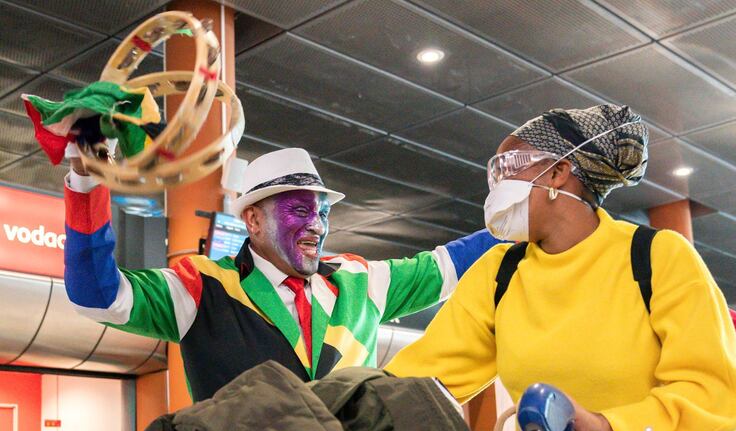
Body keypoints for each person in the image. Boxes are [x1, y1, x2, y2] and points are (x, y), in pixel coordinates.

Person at [386, 104, 736, 431]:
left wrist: (605, 426)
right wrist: (336, 410)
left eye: (508, 168)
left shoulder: (656, 256)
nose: (497, 185)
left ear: (560, 173)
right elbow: (422, 377)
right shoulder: (498, 274)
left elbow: (716, 396)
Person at [63, 146, 500, 401]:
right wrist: (85, 181)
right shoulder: (204, 287)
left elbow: (448, 265)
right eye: (299, 209)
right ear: (253, 220)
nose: (317, 223)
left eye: (322, 212)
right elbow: (97, 294)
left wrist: (517, 218)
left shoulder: (357, 280)